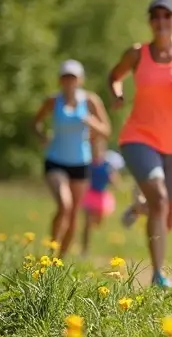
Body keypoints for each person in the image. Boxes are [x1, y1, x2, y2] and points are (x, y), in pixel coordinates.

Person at [108, 0, 172, 287]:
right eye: (155, 16)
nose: (161, 22)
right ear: (150, 22)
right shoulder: (137, 54)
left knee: (168, 216)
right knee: (160, 200)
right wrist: (116, 93)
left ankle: (139, 208)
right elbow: (115, 76)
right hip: (139, 137)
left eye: (167, 16)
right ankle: (158, 275)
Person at [32, 59, 112, 257]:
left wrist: (92, 123)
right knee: (64, 205)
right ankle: (50, 252)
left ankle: (60, 260)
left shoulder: (90, 101)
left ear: (80, 80)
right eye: (66, 77)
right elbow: (35, 122)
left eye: (73, 77)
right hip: (55, 161)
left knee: (74, 212)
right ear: (60, 80)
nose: (69, 81)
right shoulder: (53, 101)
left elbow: (106, 130)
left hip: (80, 163)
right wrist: (43, 137)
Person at [81, 140, 125, 256]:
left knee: (98, 221)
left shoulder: (107, 166)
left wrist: (117, 184)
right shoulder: (89, 164)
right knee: (88, 222)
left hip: (101, 196)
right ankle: (85, 247)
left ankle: (92, 228)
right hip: (90, 194)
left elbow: (113, 178)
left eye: (99, 150)